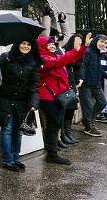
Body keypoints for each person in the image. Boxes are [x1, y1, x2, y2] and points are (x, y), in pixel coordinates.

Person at [0, 38, 42, 172]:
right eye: (23, 43)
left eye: (28, 44)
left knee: (18, 131)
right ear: (17, 44)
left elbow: (34, 85)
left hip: (22, 102)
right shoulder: (6, 57)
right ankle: (7, 160)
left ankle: (15, 158)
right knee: (7, 130)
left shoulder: (33, 62)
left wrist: (33, 103)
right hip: (5, 100)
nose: (25, 46)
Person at [37, 34, 88, 164]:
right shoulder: (43, 59)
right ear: (42, 47)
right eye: (48, 44)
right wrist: (80, 48)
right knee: (53, 126)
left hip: (58, 96)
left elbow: (70, 59)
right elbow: (62, 61)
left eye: (53, 43)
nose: (52, 46)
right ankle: (52, 154)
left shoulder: (56, 56)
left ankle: (53, 151)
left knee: (56, 124)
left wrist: (83, 48)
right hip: (49, 97)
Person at [78, 34, 107, 137]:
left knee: (102, 102)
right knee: (87, 105)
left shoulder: (99, 53)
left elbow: (98, 67)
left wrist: (106, 75)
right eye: (101, 42)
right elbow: (82, 66)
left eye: (105, 43)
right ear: (96, 41)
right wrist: (81, 78)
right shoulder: (88, 51)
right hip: (86, 83)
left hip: (96, 82)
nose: (103, 44)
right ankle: (88, 126)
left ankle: (87, 120)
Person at [59, 33, 85, 144]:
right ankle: (63, 134)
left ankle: (68, 132)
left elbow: (79, 68)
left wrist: (79, 79)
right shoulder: (65, 51)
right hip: (65, 82)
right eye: (77, 40)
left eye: (80, 41)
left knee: (72, 107)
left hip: (73, 82)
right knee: (64, 108)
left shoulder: (79, 53)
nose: (79, 42)